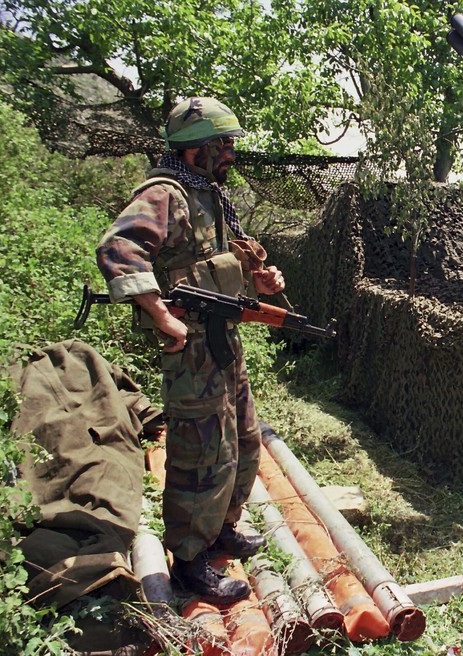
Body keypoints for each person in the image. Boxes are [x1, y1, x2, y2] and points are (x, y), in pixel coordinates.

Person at [96, 97, 285, 604]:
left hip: (224, 342)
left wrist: (261, 278)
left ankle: (223, 528)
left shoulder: (212, 197)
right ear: (193, 149)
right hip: (191, 349)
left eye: (230, 144)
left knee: (243, 440)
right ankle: (188, 561)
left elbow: (229, 257)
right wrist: (159, 312)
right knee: (202, 452)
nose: (230, 154)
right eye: (221, 144)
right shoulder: (165, 193)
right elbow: (119, 248)